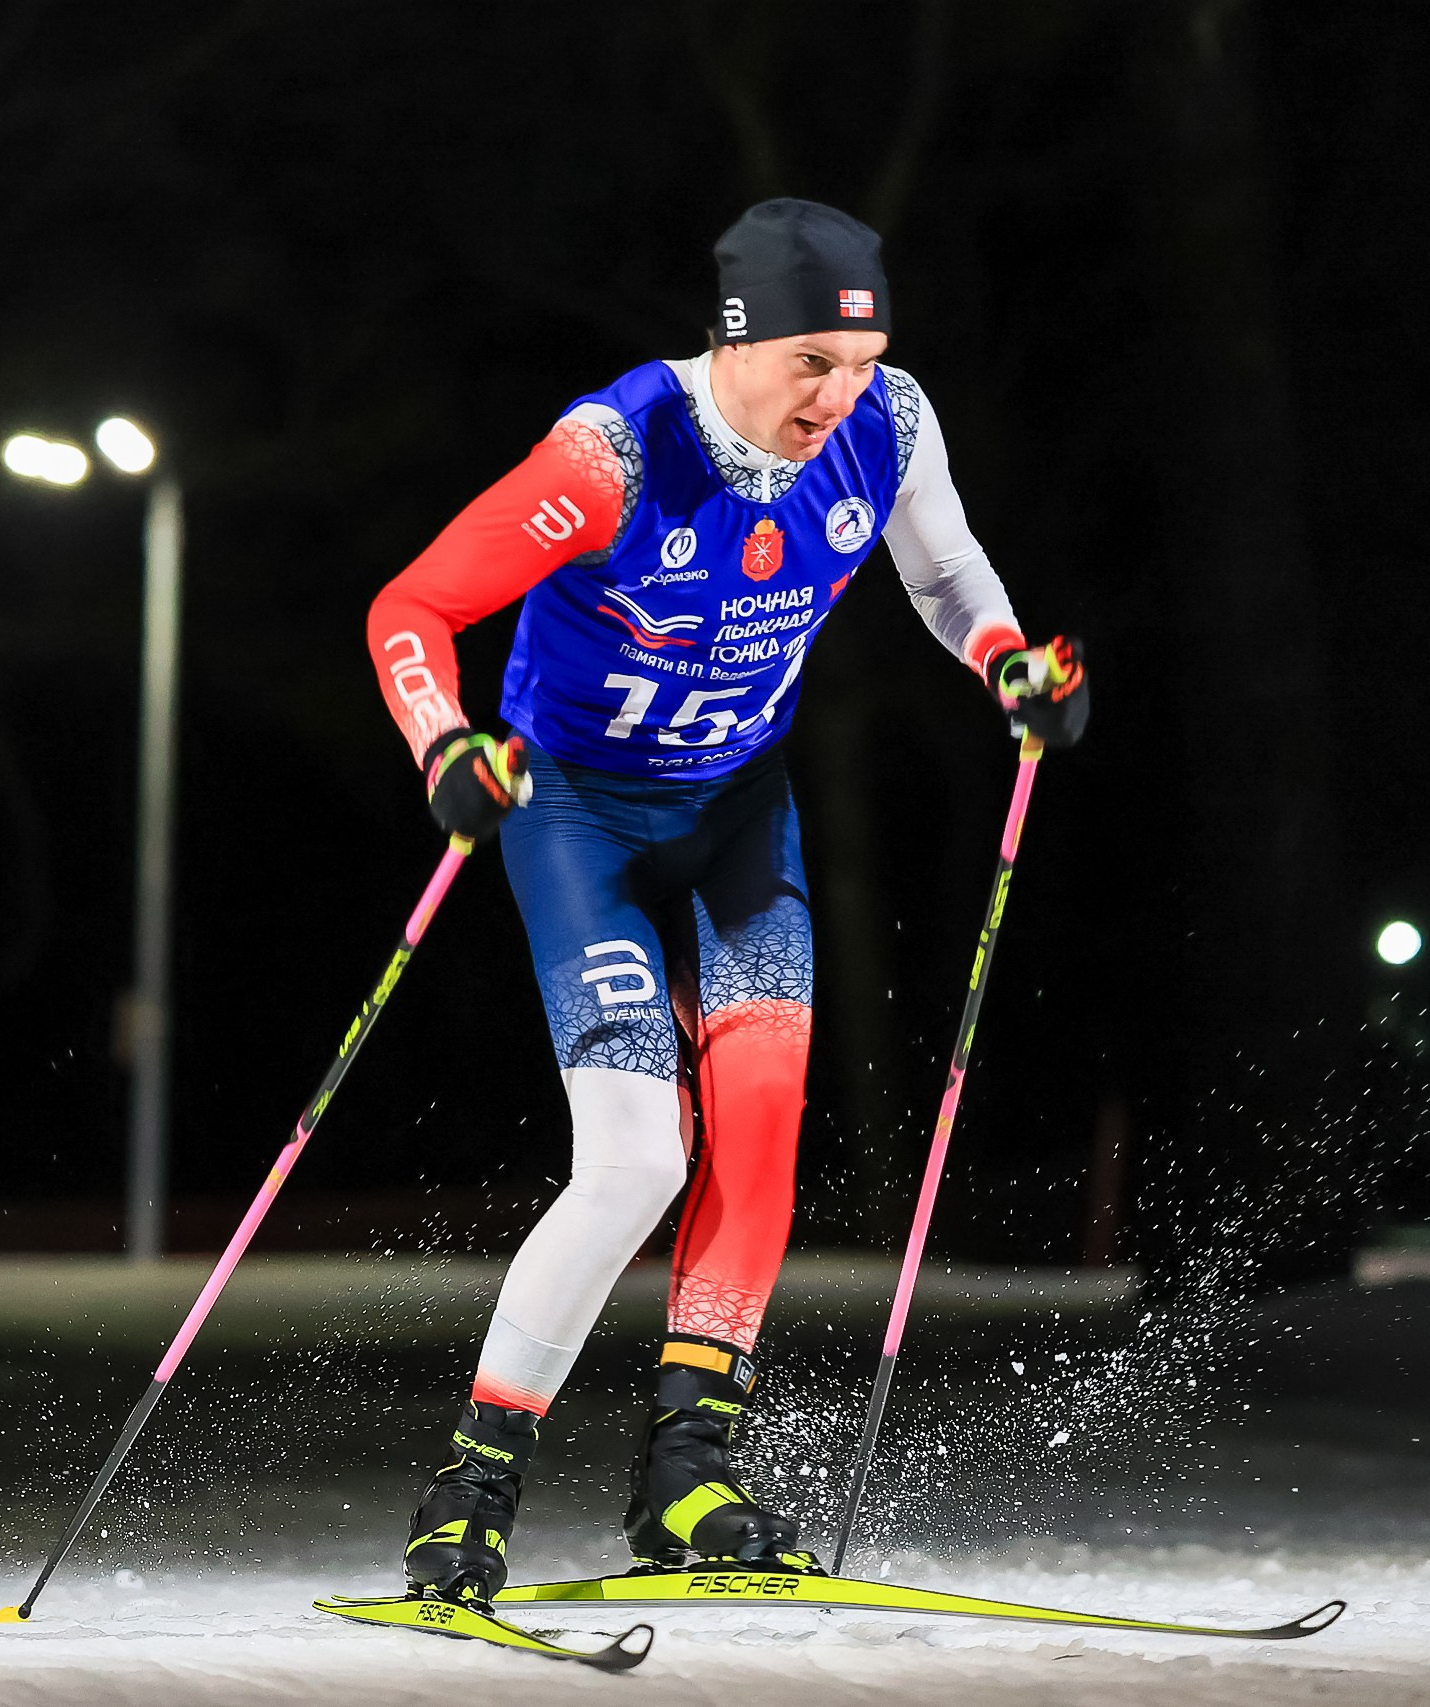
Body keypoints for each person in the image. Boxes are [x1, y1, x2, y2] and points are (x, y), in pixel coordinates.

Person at [363, 198, 1087, 1601]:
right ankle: (474, 1483)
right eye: (813, 361)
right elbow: (412, 607)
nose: (842, 394)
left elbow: (941, 571)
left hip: (740, 813)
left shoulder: (892, 426)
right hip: (579, 815)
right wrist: (445, 745)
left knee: (758, 1121)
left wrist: (1005, 659)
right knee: (637, 1158)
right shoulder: (615, 456)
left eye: (863, 361)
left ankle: (690, 1472)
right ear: (737, 340)